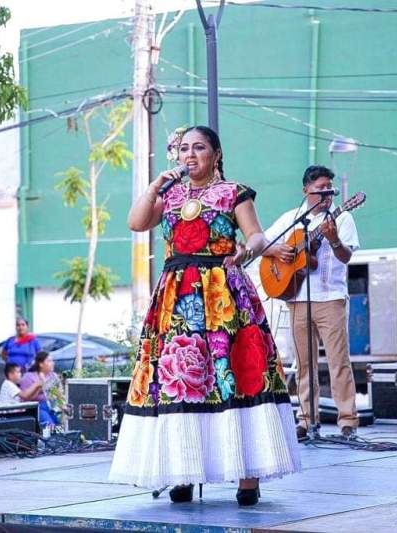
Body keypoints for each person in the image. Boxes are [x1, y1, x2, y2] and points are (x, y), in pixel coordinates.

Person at [109, 125, 300, 506]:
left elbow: (257, 236)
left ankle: (248, 477)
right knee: (181, 380)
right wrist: (152, 188)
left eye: (198, 148)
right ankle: (183, 469)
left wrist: (250, 250)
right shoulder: (170, 194)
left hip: (222, 292)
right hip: (176, 295)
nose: (190, 155)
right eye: (183, 149)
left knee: (235, 377)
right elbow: (135, 223)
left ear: (216, 154)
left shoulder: (235, 192)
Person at [264, 165, 361, 441]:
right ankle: (307, 420)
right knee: (304, 364)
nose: (327, 195)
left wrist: (333, 239)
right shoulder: (291, 219)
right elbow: (263, 244)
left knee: (338, 362)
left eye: (330, 189)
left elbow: (345, 257)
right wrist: (279, 250)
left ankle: (347, 421)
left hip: (330, 298)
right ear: (306, 190)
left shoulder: (343, 219)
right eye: (320, 189)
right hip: (297, 298)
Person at [19, 352, 60, 426]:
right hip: (37, 407)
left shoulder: (53, 376)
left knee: (60, 425)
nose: (52, 363)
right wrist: (39, 386)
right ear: (41, 364)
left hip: (52, 406)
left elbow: (58, 394)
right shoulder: (29, 377)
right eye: (49, 361)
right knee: (50, 426)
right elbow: (25, 398)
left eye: (52, 361)